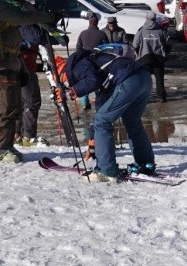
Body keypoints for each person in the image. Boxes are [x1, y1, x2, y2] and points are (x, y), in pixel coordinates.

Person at [0, 0, 62, 164]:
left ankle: (8, 145)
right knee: (7, 106)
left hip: (11, 61)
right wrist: (47, 17)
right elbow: (23, 18)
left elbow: (24, 17)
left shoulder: (9, 5)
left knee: (15, 106)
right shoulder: (1, 6)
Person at [65, 41, 156, 183]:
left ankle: (106, 170)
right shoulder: (100, 64)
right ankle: (145, 163)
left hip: (128, 79)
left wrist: (72, 91)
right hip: (144, 77)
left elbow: (91, 80)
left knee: (102, 121)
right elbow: (101, 106)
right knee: (132, 122)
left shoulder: (78, 65)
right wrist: (93, 142)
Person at [16, 0, 57, 148]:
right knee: (32, 102)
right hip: (24, 66)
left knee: (21, 102)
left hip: (18, 64)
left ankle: (17, 134)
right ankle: (28, 136)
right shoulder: (26, 20)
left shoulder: (20, 16)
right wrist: (51, 30)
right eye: (39, 7)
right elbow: (36, 38)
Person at [131, 14, 170, 102]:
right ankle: (161, 97)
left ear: (146, 18)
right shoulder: (161, 30)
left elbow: (135, 44)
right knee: (159, 79)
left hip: (145, 58)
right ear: (155, 19)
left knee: (145, 80)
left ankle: (144, 97)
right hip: (158, 58)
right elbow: (168, 43)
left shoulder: (141, 31)